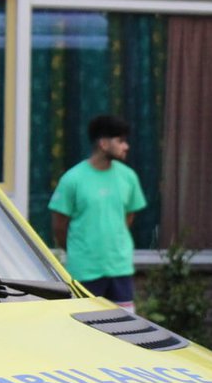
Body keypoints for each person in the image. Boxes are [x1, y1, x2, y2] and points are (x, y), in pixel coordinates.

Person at [50, 115, 146, 310]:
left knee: (124, 327)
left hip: (120, 268)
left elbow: (128, 216)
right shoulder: (72, 179)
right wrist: (79, 252)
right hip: (84, 270)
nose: (126, 146)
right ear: (103, 143)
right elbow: (59, 225)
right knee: (83, 328)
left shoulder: (128, 177)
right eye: (120, 141)